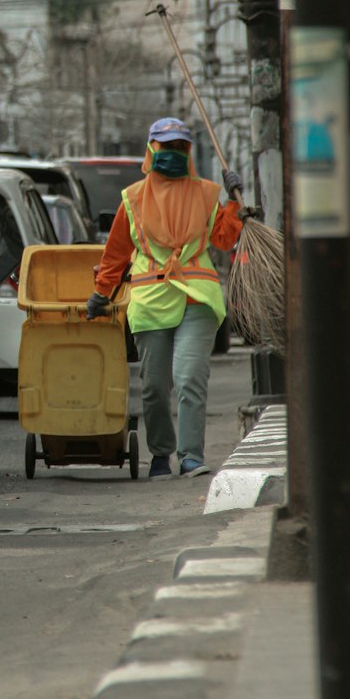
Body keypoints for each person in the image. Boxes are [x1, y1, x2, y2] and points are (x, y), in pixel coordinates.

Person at [85, 118, 244, 480]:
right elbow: (115, 255)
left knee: (189, 378)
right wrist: (100, 293)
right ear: (151, 149)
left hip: (197, 300)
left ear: (187, 151)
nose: (172, 153)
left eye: (179, 147)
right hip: (151, 301)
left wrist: (233, 204)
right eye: (165, 146)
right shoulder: (133, 198)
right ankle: (161, 454)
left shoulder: (206, 193)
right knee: (155, 386)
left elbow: (221, 240)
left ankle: (190, 456)